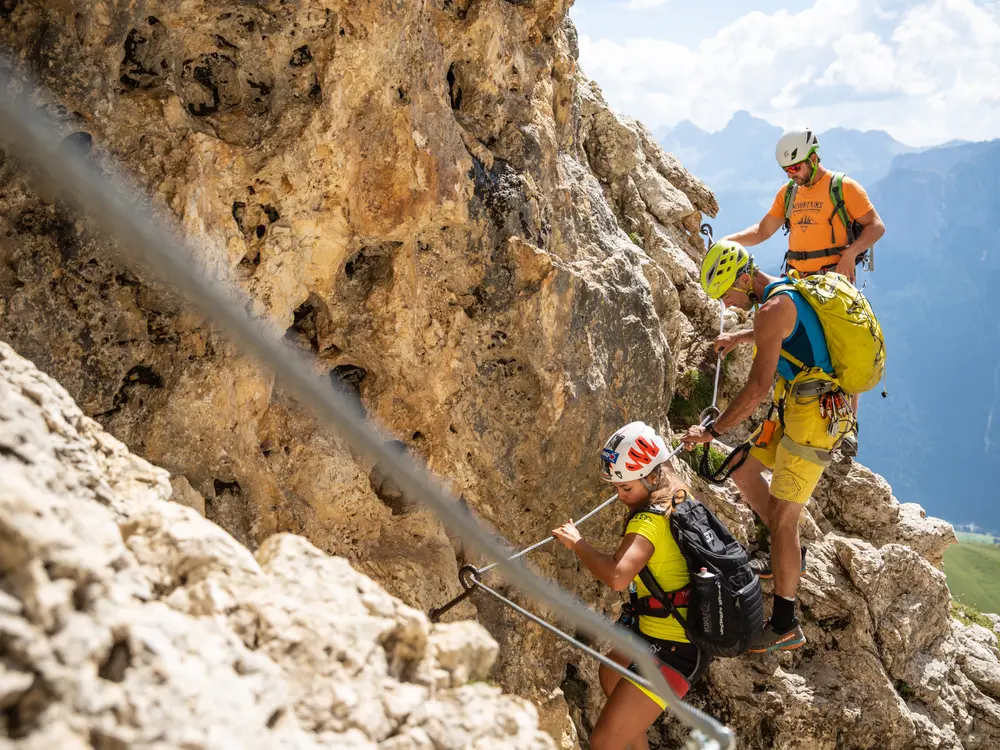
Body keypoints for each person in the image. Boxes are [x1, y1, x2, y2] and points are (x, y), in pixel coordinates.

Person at [680, 241, 853, 653]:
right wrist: (741, 337)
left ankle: (785, 625)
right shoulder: (782, 290)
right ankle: (787, 554)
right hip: (798, 406)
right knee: (743, 471)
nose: (727, 303)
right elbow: (786, 332)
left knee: (783, 517)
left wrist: (713, 431)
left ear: (743, 278)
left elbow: (757, 388)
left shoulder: (772, 308)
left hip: (814, 419)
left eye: (726, 293)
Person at [721, 128, 886, 456]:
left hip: (833, 285)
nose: (791, 174)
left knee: (841, 345)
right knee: (797, 344)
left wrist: (851, 254)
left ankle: (849, 426)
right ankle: (794, 416)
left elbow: (876, 225)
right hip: (798, 282)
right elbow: (763, 230)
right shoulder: (788, 194)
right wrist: (728, 242)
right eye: (786, 170)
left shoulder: (843, 188)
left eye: (796, 167)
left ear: (813, 157)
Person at [552, 422, 709, 750]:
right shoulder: (679, 495)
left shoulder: (648, 521)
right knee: (611, 674)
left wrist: (578, 544)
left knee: (604, 742)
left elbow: (617, 577)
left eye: (625, 488)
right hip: (661, 633)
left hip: (676, 650)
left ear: (651, 477)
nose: (620, 497)